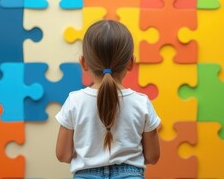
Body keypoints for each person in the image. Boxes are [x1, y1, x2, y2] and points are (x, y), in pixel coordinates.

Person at [55, 20, 161, 178]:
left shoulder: (74, 101)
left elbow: (63, 155)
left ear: (84, 63)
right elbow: (152, 156)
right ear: (130, 63)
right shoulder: (142, 103)